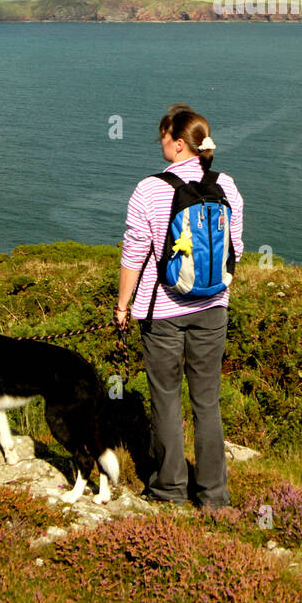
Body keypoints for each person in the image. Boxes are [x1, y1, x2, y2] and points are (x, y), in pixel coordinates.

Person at [114, 104, 243, 508]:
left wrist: (122, 306)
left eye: (164, 137)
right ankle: (214, 496)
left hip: (162, 315)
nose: (161, 143)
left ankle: (169, 489)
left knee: (166, 399)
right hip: (213, 308)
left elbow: (134, 253)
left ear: (179, 144)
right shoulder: (227, 185)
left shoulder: (149, 189)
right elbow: (235, 249)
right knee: (207, 402)